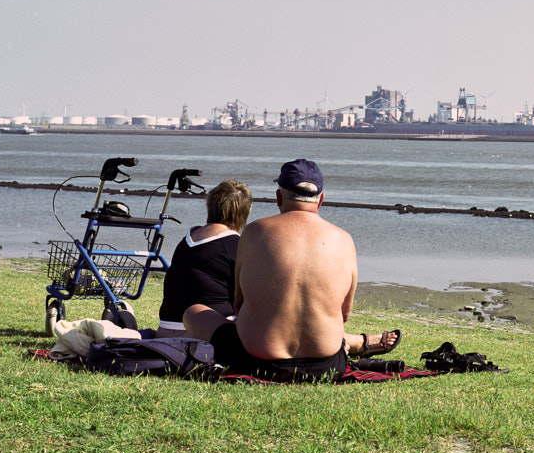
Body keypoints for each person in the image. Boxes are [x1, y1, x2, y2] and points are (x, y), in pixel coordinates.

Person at [183, 159, 399, 381]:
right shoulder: (344, 239)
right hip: (327, 365)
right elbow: (344, 314)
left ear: (279, 197)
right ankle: (356, 344)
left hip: (258, 362)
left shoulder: (255, 232)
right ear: (321, 199)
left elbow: (239, 304)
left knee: (193, 312)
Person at [156, 179, 252, 337]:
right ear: (243, 213)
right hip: (205, 334)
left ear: (210, 206)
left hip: (165, 330)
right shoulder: (235, 245)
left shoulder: (187, 239)